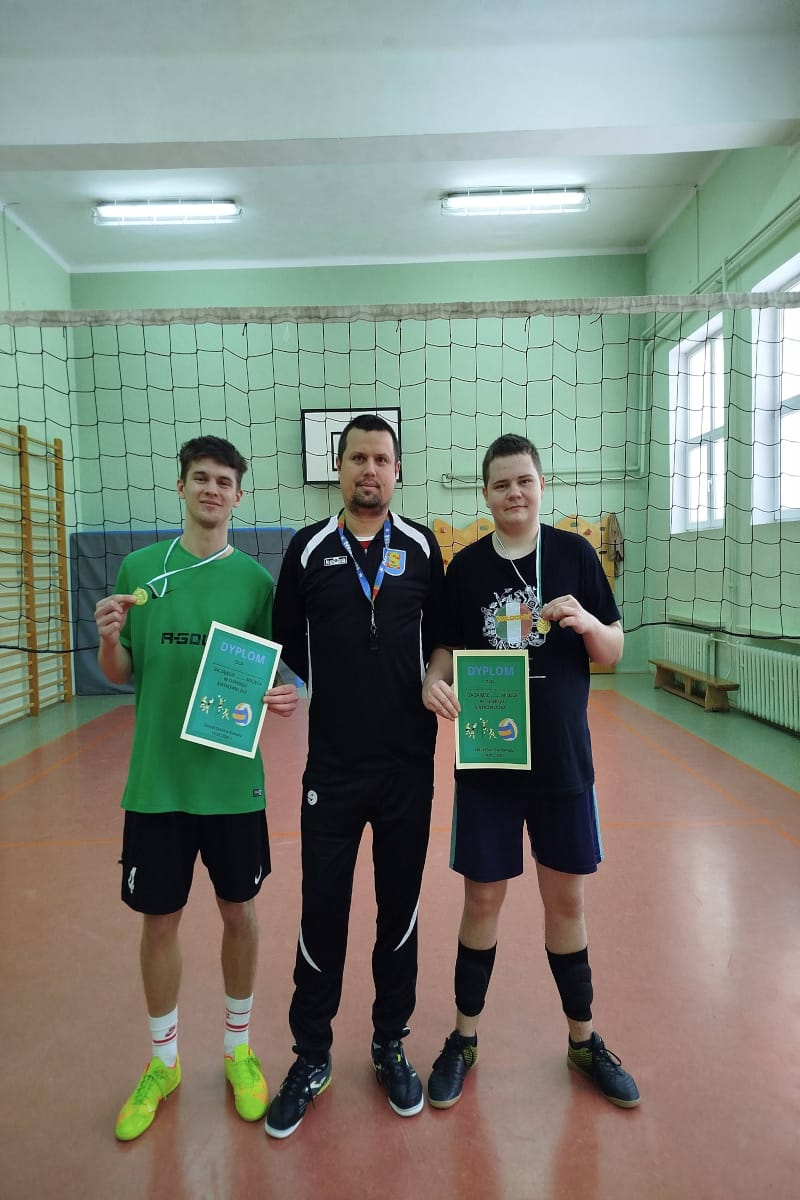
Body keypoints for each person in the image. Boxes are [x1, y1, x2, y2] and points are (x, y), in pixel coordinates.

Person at [421, 433, 640, 1110]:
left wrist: (586, 623)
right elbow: (446, 649)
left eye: (524, 481)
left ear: (541, 485)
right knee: (482, 902)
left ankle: (583, 1041)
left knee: (565, 903)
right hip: (489, 764)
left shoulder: (575, 554)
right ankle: (463, 1039)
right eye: (501, 484)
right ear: (485, 494)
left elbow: (614, 651)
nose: (514, 493)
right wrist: (433, 680)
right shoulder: (465, 568)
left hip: (563, 765)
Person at [94, 435, 297, 1141]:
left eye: (224, 481)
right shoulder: (140, 569)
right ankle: (163, 1062)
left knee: (240, 912)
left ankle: (238, 1048)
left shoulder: (256, 584)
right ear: (180, 486)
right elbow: (121, 672)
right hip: (157, 782)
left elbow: (273, 674)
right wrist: (109, 638)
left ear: (239, 495)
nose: (213, 490)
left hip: (232, 784)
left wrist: (282, 694)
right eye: (200, 478)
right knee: (159, 922)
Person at [265, 413, 444, 1138]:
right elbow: (284, 645)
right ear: (337, 468)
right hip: (333, 769)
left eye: (382, 459)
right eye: (358, 458)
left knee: (399, 912)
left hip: (408, 766)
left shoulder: (423, 547)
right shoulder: (307, 549)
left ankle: (389, 1042)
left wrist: (436, 676)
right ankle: (312, 1055)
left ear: (398, 471)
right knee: (322, 912)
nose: (370, 470)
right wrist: (283, 688)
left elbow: (444, 642)